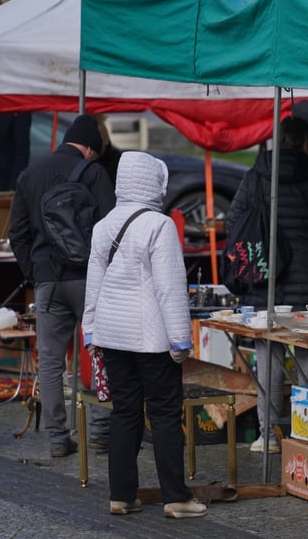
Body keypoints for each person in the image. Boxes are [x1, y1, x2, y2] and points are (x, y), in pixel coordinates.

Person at [82, 151, 206, 519]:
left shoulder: (103, 225)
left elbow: (95, 283)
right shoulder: (159, 225)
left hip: (112, 335)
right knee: (166, 414)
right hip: (152, 339)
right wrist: (181, 339)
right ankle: (176, 498)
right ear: (155, 182)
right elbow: (170, 288)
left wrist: (90, 330)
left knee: (125, 413)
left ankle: (121, 495)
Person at [226, 116, 308, 453]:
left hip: (266, 281)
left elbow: (234, 222)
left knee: (269, 359)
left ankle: (267, 436)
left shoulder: (255, 177)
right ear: (306, 144)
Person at [8, 114, 116, 458]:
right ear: (89, 147)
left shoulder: (31, 173)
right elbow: (110, 229)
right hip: (89, 279)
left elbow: (18, 233)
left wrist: (34, 271)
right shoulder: (94, 173)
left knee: (51, 361)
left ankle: (58, 437)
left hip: (48, 282)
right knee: (103, 352)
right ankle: (100, 429)